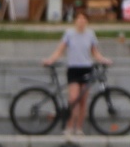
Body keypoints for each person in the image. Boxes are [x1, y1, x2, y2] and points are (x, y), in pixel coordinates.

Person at [40, 8, 115, 137]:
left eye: (84, 19)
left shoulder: (90, 34)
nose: (81, 21)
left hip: (86, 69)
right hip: (73, 69)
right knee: (73, 99)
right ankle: (69, 127)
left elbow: (95, 52)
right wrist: (50, 60)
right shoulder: (69, 34)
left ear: (86, 21)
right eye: (79, 18)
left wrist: (104, 60)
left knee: (83, 101)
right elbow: (60, 50)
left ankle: (79, 128)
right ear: (75, 20)